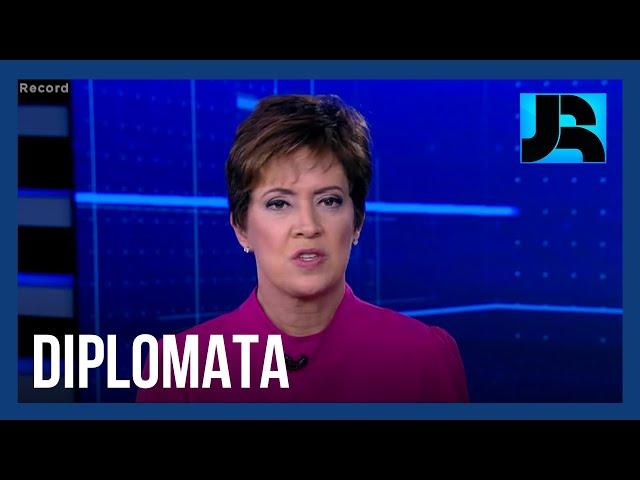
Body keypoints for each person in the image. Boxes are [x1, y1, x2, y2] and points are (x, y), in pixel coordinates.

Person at [137, 94, 469, 402]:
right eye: (279, 203)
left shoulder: (424, 356)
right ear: (241, 228)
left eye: (329, 201)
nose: (308, 226)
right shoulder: (180, 369)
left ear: (357, 222)